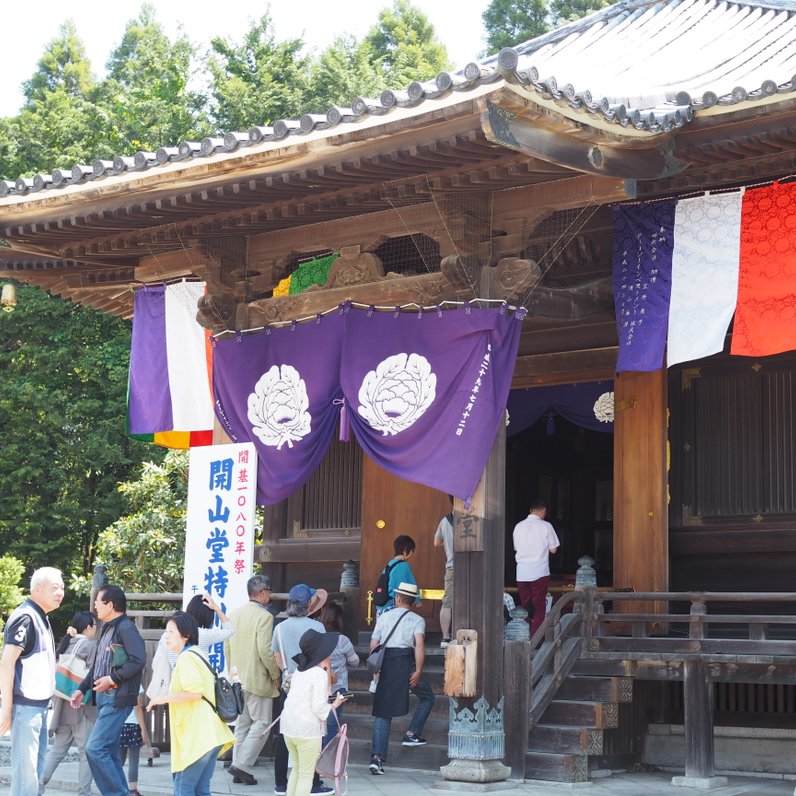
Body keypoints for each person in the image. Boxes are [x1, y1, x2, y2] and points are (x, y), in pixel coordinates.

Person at [146, 612, 234, 796]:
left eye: (171, 632)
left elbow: (194, 693)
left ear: (185, 635)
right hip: (210, 734)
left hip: (199, 736)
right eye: (166, 631)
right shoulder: (196, 653)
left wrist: (160, 699)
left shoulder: (186, 659)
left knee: (183, 788)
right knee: (201, 790)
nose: (166, 636)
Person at [71, 584, 146, 796]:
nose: (95, 605)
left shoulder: (125, 628)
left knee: (95, 748)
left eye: (98, 602)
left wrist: (112, 678)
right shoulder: (108, 628)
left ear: (110, 605)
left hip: (117, 697)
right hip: (104, 697)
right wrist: (82, 689)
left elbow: (138, 660)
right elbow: (97, 667)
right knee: (110, 753)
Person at [0, 567, 64, 796]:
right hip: (25, 707)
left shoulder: (40, 617)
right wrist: (6, 709)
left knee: (34, 779)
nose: (60, 592)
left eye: (62, 587)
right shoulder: (26, 617)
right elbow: (6, 663)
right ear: (37, 589)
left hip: (39, 707)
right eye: (54, 587)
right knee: (26, 781)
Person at [368, 582, 435, 776]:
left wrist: (376, 672)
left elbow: (374, 645)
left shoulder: (384, 617)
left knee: (382, 712)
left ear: (398, 598)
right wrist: (418, 671)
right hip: (405, 665)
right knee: (427, 697)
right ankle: (412, 733)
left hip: (385, 666)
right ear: (412, 601)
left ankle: (377, 758)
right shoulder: (417, 620)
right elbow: (419, 646)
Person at [271, 584, 332, 796]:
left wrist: (288, 672)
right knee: (312, 734)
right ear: (308, 604)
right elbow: (325, 661)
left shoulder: (279, 628)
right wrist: (329, 685)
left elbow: (277, 657)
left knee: (285, 731)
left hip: (289, 683)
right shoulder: (317, 628)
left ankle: (280, 782)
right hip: (312, 684)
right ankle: (313, 782)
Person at [223, 575, 280, 787]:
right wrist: (275, 674)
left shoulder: (235, 614)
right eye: (269, 592)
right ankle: (242, 766)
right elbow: (265, 651)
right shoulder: (264, 617)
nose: (270, 596)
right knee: (262, 723)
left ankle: (239, 768)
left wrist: (232, 673)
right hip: (258, 679)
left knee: (243, 725)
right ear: (263, 592)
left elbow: (227, 648)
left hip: (238, 678)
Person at [280, 630, 347, 796]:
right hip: (307, 730)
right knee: (306, 775)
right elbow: (319, 708)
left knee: (297, 769)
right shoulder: (319, 674)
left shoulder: (299, 670)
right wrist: (335, 704)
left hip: (289, 726)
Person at [40, 612, 97, 796]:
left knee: (57, 750)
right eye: (94, 625)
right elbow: (93, 675)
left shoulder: (67, 642)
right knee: (85, 753)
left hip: (61, 707)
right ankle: (84, 792)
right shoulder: (88, 645)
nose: (95, 629)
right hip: (80, 707)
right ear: (88, 627)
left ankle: (37, 786)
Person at [152, 592, 235, 683]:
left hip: (173, 687)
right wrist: (216, 608)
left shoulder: (166, 635)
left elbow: (156, 664)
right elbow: (230, 630)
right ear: (207, 616)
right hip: (198, 687)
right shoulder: (202, 634)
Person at [513, 498, 560, 638]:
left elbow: (516, 548)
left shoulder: (518, 526)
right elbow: (553, 550)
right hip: (539, 571)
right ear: (543, 510)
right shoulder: (546, 526)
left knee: (525, 606)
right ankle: (536, 639)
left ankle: (525, 635)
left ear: (530, 511)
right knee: (539, 607)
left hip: (521, 572)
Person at [318, 603, 359, 749]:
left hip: (319, 688)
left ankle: (318, 754)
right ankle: (326, 756)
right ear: (339, 620)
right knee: (332, 723)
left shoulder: (318, 638)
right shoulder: (343, 640)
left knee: (319, 723)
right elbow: (355, 661)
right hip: (339, 689)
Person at [376, 536, 420, 616]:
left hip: (381, 609)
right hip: (392, 609)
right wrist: (417, 600)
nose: (411, 555)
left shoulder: (389, 565)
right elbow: (400, 589)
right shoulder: (403, 566)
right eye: (412, 551)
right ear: (405, 550)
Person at [118, 688, 149, 796]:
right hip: (133, 725)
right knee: (133, 760)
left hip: (119, 724)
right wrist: (143, 730)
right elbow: (137, 707)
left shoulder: (117, 679)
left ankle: (117, 788)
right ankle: (133, 791)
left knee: (119, 760)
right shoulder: (136, 682)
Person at [433, 497, 454, 646]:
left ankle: (445, 637)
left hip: (452, 566)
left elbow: (436, 542)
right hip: (472, 567)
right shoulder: (473, 519)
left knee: (447, 602)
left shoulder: (445, 521)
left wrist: (448, 544)